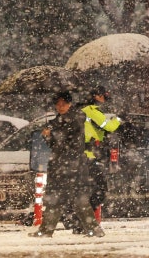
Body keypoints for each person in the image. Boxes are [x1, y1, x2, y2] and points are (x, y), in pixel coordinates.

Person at [29, 90, 104, 237]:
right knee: (55, 200)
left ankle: (94, 230)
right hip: (60, 166)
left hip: (72, 167)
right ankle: (47, 230)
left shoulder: (74, 120)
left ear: (69, 104)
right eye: (58, 104)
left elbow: (70, 144)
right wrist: (48, 136)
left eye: (63, 103)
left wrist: (52, 134)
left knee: (77, 201)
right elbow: (55, 145)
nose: (60, 106)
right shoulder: (59, 121)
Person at [81, 87, 122, 216]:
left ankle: (81, 218)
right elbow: (108, 126)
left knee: (87, 188)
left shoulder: (83, 109)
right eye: (104, 96)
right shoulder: (91, 110)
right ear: (97, 96)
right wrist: (119, 119)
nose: (105, 100)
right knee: (100, 189)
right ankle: (84, 218)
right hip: (89, 154)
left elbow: (95, 128)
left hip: (83, 154)